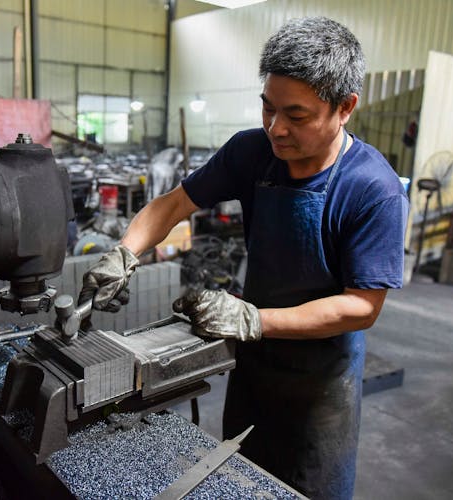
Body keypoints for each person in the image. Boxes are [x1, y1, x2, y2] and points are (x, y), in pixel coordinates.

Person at [79, 16, 409, 500]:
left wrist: (251, 316)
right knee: (239, 481)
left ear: (345, 108)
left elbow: (362, 306)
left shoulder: (371, 189)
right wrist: (125, 252)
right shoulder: (251, 153)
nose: (276, 128)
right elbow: (173, 204)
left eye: (296, 116)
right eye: (267, 107)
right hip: (252, 364)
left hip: (319, 386)